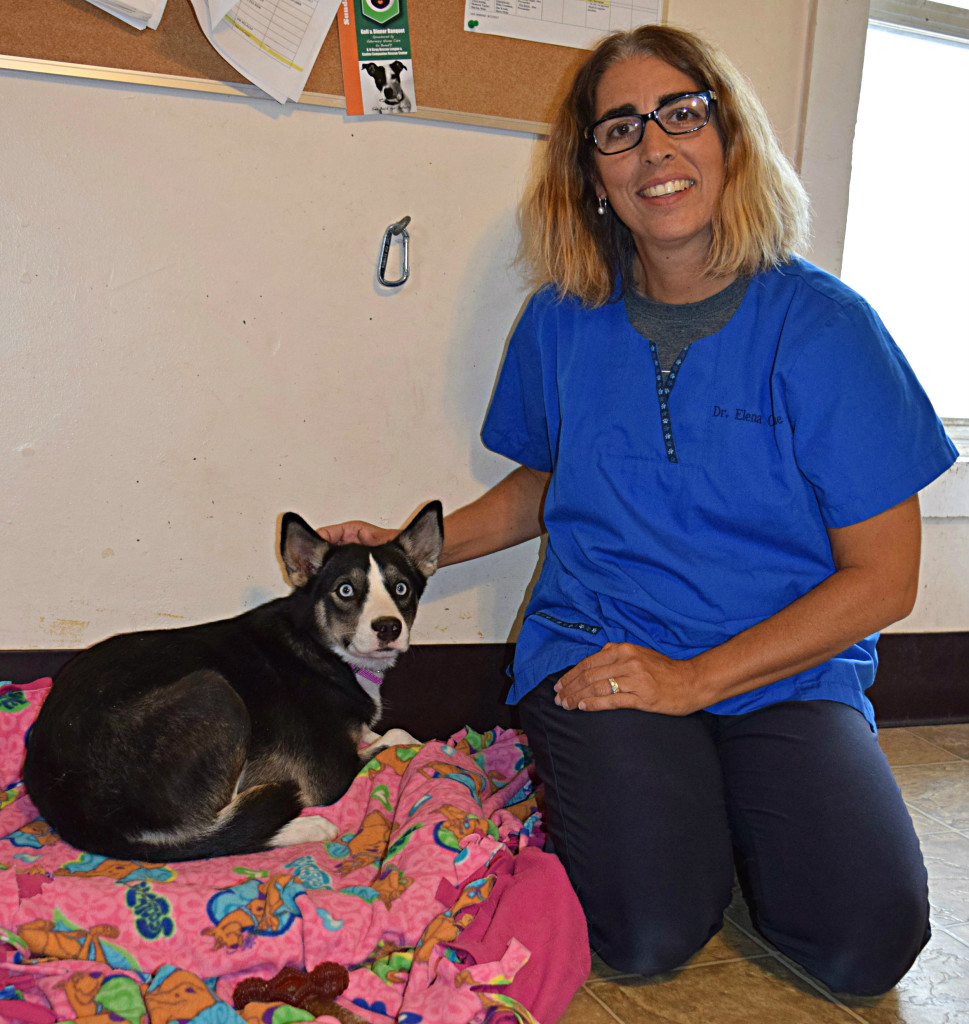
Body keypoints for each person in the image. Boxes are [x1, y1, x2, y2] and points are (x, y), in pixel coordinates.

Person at [319, 25, 958, 996]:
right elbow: (550, 480)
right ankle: (683, 805)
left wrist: (695, 682)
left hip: (785, 669)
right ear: (593, 173)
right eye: (620, 130)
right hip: (603, 646)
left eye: (682, 114)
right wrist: (408, 553)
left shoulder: (826, 327)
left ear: (730, 138)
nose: (655, 146)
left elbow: (887, 579)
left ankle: (732, 797)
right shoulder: (563, 320)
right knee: (648, 932)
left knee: (864, 944)